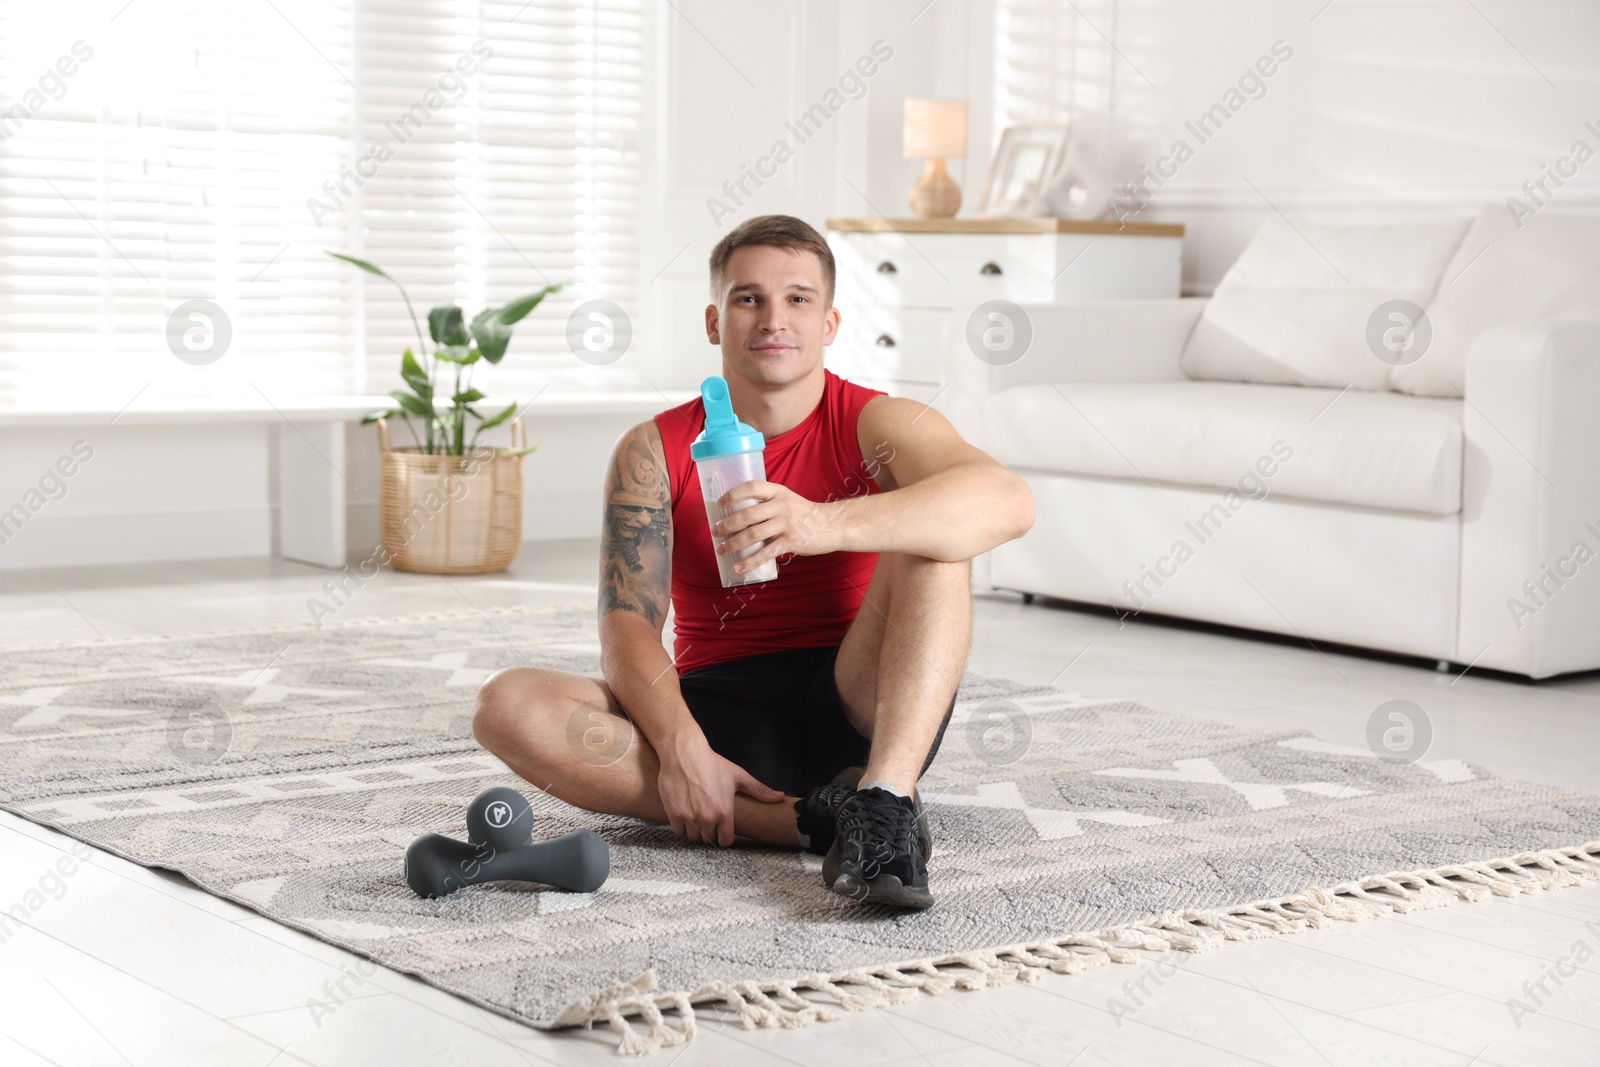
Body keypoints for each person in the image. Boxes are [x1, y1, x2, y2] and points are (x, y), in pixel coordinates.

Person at [473, 214, 1033, 908]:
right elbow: (627, 623)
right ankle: (807, 822)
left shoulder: (877, 423)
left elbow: (1006, 501)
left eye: (798, 298)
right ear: (714, 321)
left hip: (860, 701)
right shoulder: (653, 448)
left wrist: (820, 523)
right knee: (508, 706)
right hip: (719, 716)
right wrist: (680, 745)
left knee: (940, 529)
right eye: (748, 298)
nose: (774, 318)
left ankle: (885, 799)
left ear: (829, 323)